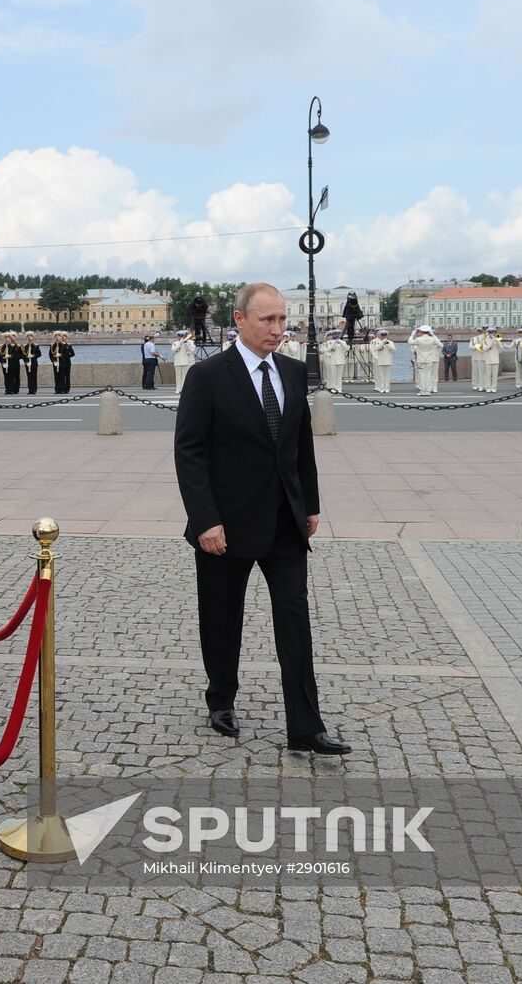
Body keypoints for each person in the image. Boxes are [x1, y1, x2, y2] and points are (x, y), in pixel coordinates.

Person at [172, 282, 349, 756]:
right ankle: (221, 698)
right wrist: (205, 520)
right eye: (268, 320)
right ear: (239, 320)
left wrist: (309, 504)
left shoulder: (292, 372)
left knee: (294, 621)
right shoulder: (208, 377)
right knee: (222, 619)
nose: (278, 329)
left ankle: (306, 727)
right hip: (225, 527)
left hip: (285, 522)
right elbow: (189, 453)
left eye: (281, 319)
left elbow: (300, 446)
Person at [408, 325, 442, 395]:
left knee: (422, 375)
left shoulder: (419, 339)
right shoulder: (432, 339)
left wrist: (412, 334)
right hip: (429, 359)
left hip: (421, 359)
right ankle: (428, 391)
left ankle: (423, 391)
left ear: (421, 331)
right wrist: (433, 335)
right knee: (429, 375)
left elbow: (410, 342)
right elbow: (441, 345)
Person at [369, 328, 395, 393]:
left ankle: (387, 388)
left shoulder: (390, 342)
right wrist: (383, 343)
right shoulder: (377, 342)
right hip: (380, 361)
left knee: (387, 376)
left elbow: (393, 349)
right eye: (382, 335)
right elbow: (376, 349)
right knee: (381, 376)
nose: (384, 336)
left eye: (385, 335)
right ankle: (381, 387)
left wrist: (387, 343)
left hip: (388, 361)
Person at [171, 330, 196, 394]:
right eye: (179, 336)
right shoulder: (175, 343)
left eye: (182, 336)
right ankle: (178, 389)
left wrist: (186, 344)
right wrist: (180, 343)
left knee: (184, 377)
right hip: (177, 362)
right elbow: (173, 350)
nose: (180, 337)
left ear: (185, 336)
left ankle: (183, 389)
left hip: (185, 361)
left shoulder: (189, 342)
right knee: (178, 376)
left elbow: (191, 350)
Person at [478, 326, 501, 392]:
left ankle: (494, 387)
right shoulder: (484, 340)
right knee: (487, 375)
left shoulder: (497, 338)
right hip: (488, 359)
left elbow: (501, 347)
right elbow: (485, 349)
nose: (492, 333)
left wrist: (497, 340)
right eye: (490, 332)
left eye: (493, 332)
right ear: (488, 332)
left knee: (494, 375)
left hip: (495, 359)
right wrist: (491, 342)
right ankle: (488, 387)